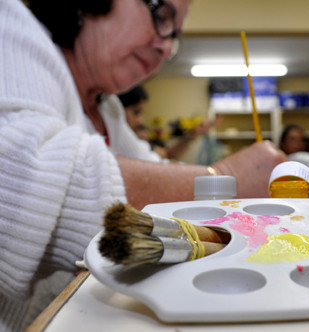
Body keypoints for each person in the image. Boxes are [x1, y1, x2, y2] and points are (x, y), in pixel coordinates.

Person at [0, 0, 287, 330]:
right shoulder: (10, 23)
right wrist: (227, 176)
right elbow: (20, 181)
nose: (166, 48)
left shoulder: (108, 109)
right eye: (161, 15)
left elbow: (153, 172)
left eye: (175, 35)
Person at [117, 84, 222, 161]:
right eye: (136, 112)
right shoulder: (118, 139)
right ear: (117, 109)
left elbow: (166, 154)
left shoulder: (137, 139)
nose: (141, 120)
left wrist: (191, 136)